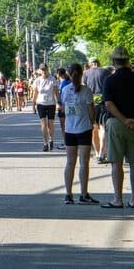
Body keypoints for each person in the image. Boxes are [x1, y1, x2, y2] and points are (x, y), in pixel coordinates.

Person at [101, 46, 134, 208]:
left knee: (116, 163)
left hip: (116, 123)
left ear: (114, 61)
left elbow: (108, 104)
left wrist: (123, 120)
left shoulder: (109, 80)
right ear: (128, 61)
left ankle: (118, 199)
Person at [59, 63, 97, 205]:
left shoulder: (65, 90)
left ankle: (68, 194)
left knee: (70, 162)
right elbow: (91, 111)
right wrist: (93, 121)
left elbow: (63, 108)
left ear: (68, 73)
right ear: (82, 74)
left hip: (70, 130)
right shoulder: (87, 91)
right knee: (84, 163)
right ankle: (83, 193)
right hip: (84, 129)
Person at [82, 58, 112, 163]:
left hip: (91, 102)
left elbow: (84, 88)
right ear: (99, 63)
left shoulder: (86, 73)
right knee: (103, 128)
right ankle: (101, 154)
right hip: (103, 102)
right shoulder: (106, 72)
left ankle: (97, 152)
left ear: (90, 64)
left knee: (93, 128)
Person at [31, 64, 58, 151]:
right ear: (40, 70)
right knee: (43, 124)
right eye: (42, 70)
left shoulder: (52, 79)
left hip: (51, 104)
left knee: (50, 124)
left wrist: (58, 103)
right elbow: (35, 93)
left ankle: (51, 140)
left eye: (45, 69)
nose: (44, 71)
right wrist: (33, 105)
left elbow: (56, 92)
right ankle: (45, 143)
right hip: (41, 103)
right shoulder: (37, 81)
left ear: (47, 69)